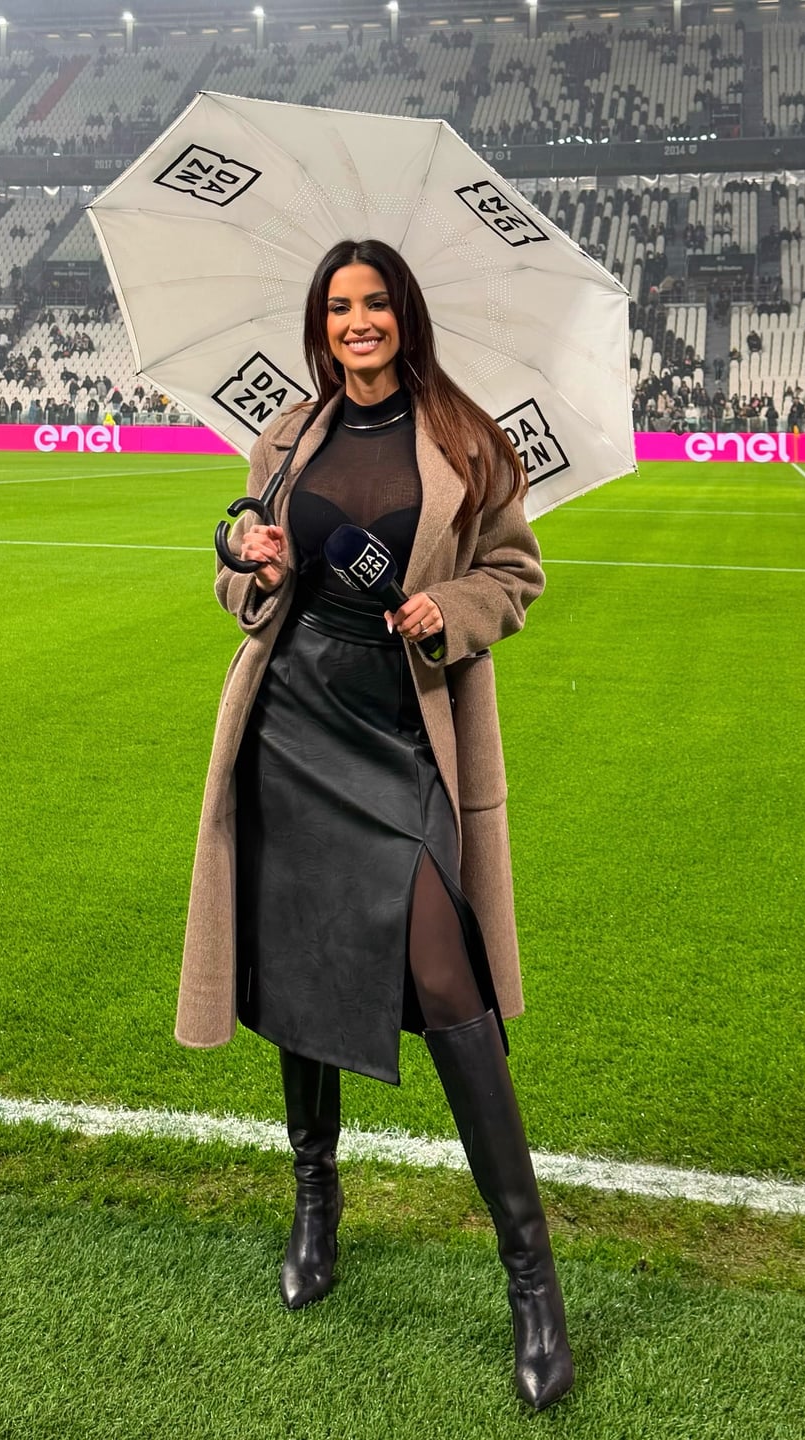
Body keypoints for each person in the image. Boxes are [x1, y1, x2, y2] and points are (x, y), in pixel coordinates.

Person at [175, 238, 573, 1412]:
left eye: (377, 304)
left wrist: (447, 606)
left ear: (405, 315)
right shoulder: (286, 437)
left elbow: (516, 577)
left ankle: (532, 1278)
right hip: (290, 722)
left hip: (404, 735)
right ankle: (315, 1198)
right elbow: (244, 582)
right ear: (322, 324)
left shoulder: (469, 440)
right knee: (298, 958)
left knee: (448, 980)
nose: (359, 322)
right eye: (341, 307)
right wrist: (246, 556)